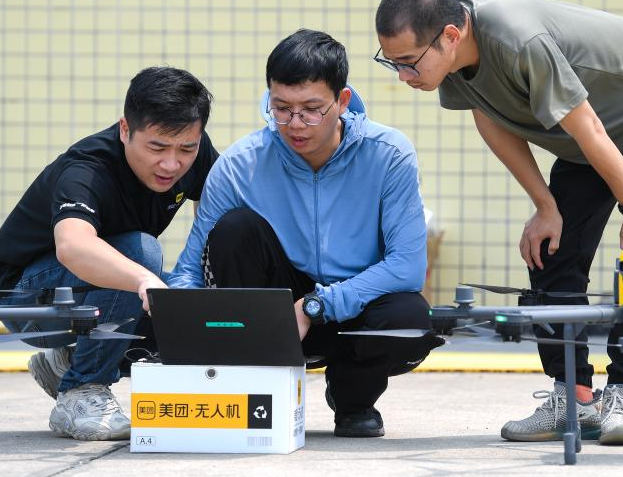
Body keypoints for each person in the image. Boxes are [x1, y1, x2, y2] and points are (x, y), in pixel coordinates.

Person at [374, 0, 623, 446]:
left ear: (450, 36)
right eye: (392, 63)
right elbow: (490, 119)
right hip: (593, 137)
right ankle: (574, 398)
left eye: (408, 62)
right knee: (550, 249)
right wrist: (545, 206)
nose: (403, 76)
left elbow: (588, 125)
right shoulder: (452, 58)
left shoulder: (519, 40)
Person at [168, 29, 442, 437]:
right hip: (273, 315)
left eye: (312, 109)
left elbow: (407, 266)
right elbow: (192, 267)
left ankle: (353, 399)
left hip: (354, 308)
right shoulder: (240, 164)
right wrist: (176, 314)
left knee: (409, 317)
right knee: (234, 229)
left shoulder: (388, 154)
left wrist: (317, 305)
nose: (295, 124)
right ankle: (260, 391)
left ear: (342, 101)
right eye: (281, 109)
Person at [0, 67, 217, 441]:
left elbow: (215, 219)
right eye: (157, 148)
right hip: (26, 302)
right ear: (125, 129)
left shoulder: (194, 153)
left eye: (187, 149)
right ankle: (81, 390)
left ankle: (68, 362)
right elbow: (73, 247)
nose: (172, 164)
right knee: (141, 254)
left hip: (89, 296)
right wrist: (143, 279)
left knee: (189, 304)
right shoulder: (88, 168)